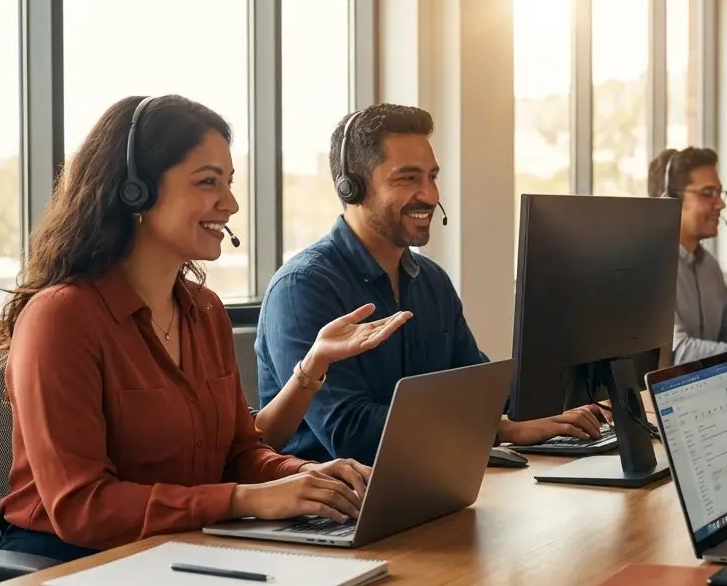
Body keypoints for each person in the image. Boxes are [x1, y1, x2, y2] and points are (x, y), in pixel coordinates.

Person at [0, 95, 406, 563]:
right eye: (208, 182)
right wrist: (245, 500)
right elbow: (82, 506)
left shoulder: (204, 310)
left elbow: (239, 455)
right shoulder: (61, 318)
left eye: (229, 182)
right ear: (136, 191)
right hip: (68, 564)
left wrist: (307, 477)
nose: (231, 203)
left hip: (182, 551)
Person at [256, 103, 606, 465]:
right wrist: (502, 430)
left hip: (430, 475)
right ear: (352, 187)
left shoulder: (431, 280)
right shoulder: (303, 287)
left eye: (432, 177)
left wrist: (569, 402)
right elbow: (352, 432)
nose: (430, 195)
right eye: (408, 178)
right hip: (339, 493)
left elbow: (477, 388)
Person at [647, 147, 727, 371]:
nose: (721, 204)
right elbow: (677, 353)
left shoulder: (709, 266)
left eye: (719, 192)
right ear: (670, 200)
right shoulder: (650, 268)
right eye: (708, 193)